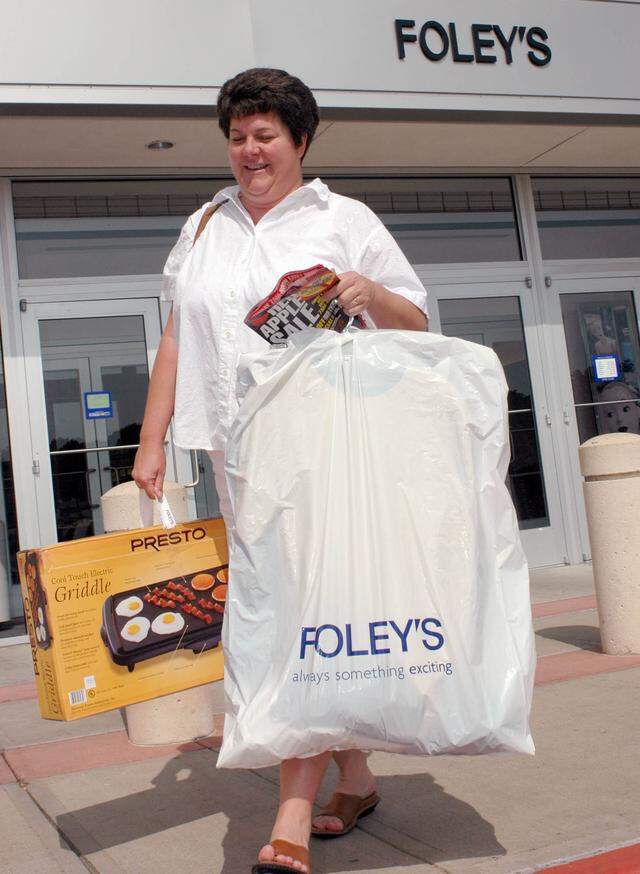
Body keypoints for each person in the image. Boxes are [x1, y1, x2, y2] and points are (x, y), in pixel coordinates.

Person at [132, 67, 428, 874]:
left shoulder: (344, 219)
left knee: (295, 619)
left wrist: (368, 290)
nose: (249, 150)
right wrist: (152, 440)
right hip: (235, 456)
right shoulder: (203, 226)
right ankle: (356, 776)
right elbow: (174, 339)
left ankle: (290, 819)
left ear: (301, 141)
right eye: (238, 136)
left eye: (266, 135)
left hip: (320, 448)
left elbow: (416, 316)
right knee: (281, 612)